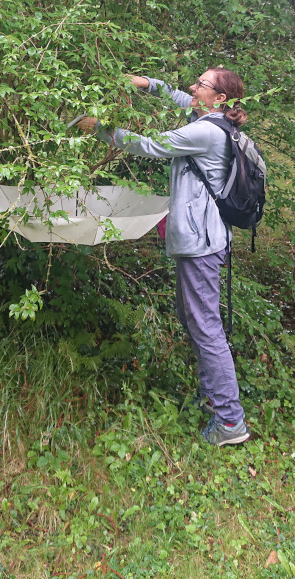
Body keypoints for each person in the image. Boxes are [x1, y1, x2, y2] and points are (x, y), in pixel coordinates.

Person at [77, 68, 250, 446]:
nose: (192, 87)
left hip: (201, 244)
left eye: (201, 85)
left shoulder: (206, 132)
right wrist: (151, 86)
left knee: (205, 326)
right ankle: (215, 400)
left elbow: (152, 144)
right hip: (206, 239)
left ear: (219, 98)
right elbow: (181, 99)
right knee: (196, 319)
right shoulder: (214, 122)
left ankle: (230, 421)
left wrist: (100, 127)